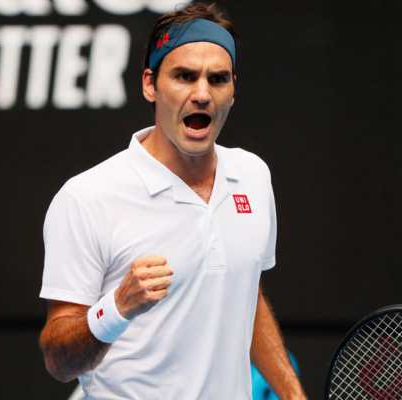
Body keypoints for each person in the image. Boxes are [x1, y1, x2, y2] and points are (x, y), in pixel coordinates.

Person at [38, 3, 306, 399]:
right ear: (150, 84)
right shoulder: (86, 198)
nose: (202, 94)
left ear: (233, 90)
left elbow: (245, 293)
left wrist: (292, 393)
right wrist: (116, 306)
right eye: (184, 76)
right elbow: (58, 362)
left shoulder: (252, 175)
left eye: (217, 79)